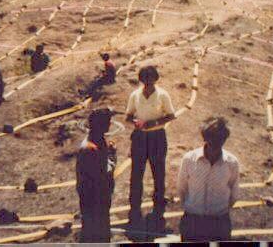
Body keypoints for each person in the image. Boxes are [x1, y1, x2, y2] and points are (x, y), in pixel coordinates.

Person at [125, 65, 175, 226]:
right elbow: (128, 116)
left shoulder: (163, 95)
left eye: (150, 78)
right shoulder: (135, 95)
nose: (147, 81)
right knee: (136, 174)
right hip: (139, 138)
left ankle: (159, 205)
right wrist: (136, 122)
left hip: (157, 138)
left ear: (155, 78)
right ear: (141, 79)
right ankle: (134, 207)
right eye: (144, 78)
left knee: (158, 173)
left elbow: (171, 115)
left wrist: (155, 122)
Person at [177, 117, 240, 242]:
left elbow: (234, 193)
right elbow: (181, 188)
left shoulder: (232, 163)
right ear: (205, 138)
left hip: (219, 223)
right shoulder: (189, 159)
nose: (216, 144)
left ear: (225, 140)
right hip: (192, 222)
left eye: (220, 140)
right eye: (213, 139)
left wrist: (219, 211)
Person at [76, 108, 117, 242]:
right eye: (107, 121)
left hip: (97, 198)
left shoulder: (98, 140)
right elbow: (102, 173)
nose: (110, 124)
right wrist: (112, 157)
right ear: (101, 124)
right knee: (96, 235)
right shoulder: (90, 148)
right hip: (95, 200)